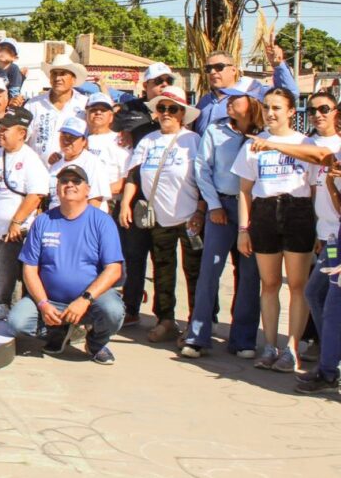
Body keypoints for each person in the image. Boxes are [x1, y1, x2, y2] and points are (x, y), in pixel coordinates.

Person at [6, 164, 125, 365]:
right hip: (50, 300)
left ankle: (96, 342)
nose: (69, 184)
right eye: (64, 181)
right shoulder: (42, 221)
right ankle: (57, 330)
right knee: (16, 323)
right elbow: (30, 269)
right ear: (57, 188)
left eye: (76, 181)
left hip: (91, 300)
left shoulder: (102, 221)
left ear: (87, 189)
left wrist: (85, 300)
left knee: (113, 311)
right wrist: (43, 304)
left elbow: (114, 270)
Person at [234, 87, 317, 372]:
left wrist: (316, 227)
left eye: (277, 108)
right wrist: (244, 229)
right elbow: (244, 191)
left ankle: (292, 348)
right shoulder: (253, 144)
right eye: (267, 107)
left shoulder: (305, 143)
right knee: (268, 284)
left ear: (292, 111)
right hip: (265, 213)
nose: (271, 113)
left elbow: (315, 189)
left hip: (298, 212)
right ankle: (270, 346)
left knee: (297, 286)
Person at [182, 88, 266, 359]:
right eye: (228, 99)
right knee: (210, 272)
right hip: (222, 205)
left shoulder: (264, 135)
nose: (229, 103)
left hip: (254, 210)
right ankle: (197, 336)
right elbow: (202, 168)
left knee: (249, 275)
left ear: (252, 103)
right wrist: (214, 205)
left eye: (236, 98)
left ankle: (243, 340)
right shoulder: (216, 131)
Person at [120, 86, 203, 344]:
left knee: (194, 273)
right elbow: (134, 174)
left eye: (172, 109)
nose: (166, 113)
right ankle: (165, 319)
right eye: (162, 108)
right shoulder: (148, 140)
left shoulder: (193, 141)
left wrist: (201, 209)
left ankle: (196, 324)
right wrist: (125, 204)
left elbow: (203, 179)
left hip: (189, 217)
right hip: (159, 218)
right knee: (163, 270)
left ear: (182, 114)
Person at [0, 107, 49, 320]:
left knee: (14, 268)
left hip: (19, 229)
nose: (2, 133)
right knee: (6, 266)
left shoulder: (30, 159)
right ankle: (10, 304)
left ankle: (10, 305)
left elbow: (36, 194)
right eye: (1, 129)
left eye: (7, 129)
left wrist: (16, 222)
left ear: (22, 133)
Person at [193, 45, 297, 136]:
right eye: (208, 68)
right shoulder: (203, 102)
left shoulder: (250, 93)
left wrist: (278, 65)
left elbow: (290, 95)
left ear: (233, 70)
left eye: (218, 67)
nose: (212, 72)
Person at [25, 53, 89, 162]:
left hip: (72, 172)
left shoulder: (85, 104)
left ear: (73, 79)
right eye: (54, 74)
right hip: (37, 172)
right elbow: (22, 137)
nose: (58, 78)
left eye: (63, 74)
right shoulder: (33, 105)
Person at [46, 118, 113, 208]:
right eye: (63, 136)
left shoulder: (93, 163)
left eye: (72, 138)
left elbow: (96, 199)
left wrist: (84, 221)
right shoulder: (55, 164)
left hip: (83, 219)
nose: (66, 141)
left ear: (84, 141)